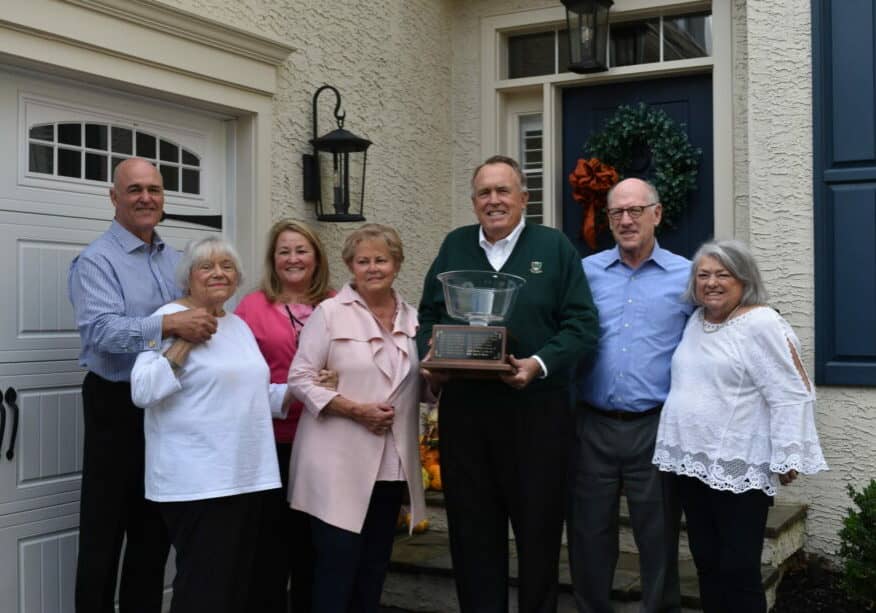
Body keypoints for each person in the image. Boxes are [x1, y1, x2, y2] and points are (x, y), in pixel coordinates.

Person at [417, 155, 599, 612]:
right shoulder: (454, 245)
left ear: (524, 198)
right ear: (474, 201)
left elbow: (582, 325)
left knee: (538, 535)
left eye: (503, 191)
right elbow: (429, 316)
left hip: (535, 413)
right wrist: (432, 360)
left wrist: (537, 363)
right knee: (472, 533)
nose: (494, 201)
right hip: (467, 415)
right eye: (484, 193)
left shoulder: (553, 247)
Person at [68, 157, 218, 613]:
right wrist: (170, 323)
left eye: (153, 189)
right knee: (104, 532)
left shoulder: (176, 259)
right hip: (116, 404)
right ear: (114, 198)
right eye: (134, 190)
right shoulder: (96, 260)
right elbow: (101, 332)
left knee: (153, 531)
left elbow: (207, 307)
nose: (146, 198)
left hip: (167, 403)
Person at [653, 239, 828, 613]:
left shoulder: (761, 323)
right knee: (706, 561)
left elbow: (792, 392)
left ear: (744, 279)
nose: (711, 282)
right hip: (691, 463)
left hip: (738, 465)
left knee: (738, 567)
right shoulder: (697, 321)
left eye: (723, 274)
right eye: (703, 275)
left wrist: (787, 454)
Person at [130, 236, 284, 613]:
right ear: (189, 278)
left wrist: (304, 388)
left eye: (227, 266)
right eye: (207, 266)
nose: (218, 273)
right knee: (204, 591)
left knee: (236, 589)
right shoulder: (165, 319)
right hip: (198, 483)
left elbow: (250, 394)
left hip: (247, 477)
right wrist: (183, 341)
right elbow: (143, 390)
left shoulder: (236, 326)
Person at [287, 223, 427, 613]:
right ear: (350, 266)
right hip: (335, 465)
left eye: (381, 260)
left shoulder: (413, 319)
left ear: (396, 264)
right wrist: (354, 409)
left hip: (390, 465)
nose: (372, 268)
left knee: (373, 570)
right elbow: (299, 378)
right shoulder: (329, 313)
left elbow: (423, 386)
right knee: (336, 569)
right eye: (362, 261)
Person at [568, 177, 691, 613]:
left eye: (636, 210)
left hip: (655, 428)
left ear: (656, 214)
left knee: (657, 536)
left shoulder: (687, 275)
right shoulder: (585, 272)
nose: (626, 220)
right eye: (616, 212)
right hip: (592, 424)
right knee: (587, 535)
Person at [235, 219, 336, 612]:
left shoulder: (336, 303)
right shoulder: (252, 307)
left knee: (314, 547)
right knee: (270, 551)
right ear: (273, 259)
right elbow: (241, 378)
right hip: (272, 444)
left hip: (325, 441)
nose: (292, 259)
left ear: (316, 257)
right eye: (284, 251)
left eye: (301, 250)